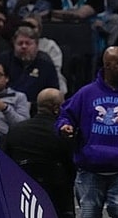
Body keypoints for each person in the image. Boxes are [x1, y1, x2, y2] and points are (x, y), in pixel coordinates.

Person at [56, 46, 118, 218]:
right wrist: (64, 126)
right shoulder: (87, 93)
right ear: (107, 65)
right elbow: (65, 115)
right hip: (90, 171)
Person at [4, 88, 75, 218]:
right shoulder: (62, 134)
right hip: (57, 197)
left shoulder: (16, 130)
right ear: (56, 107)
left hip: (22, 194)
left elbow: (6, 163)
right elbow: (71, 166)